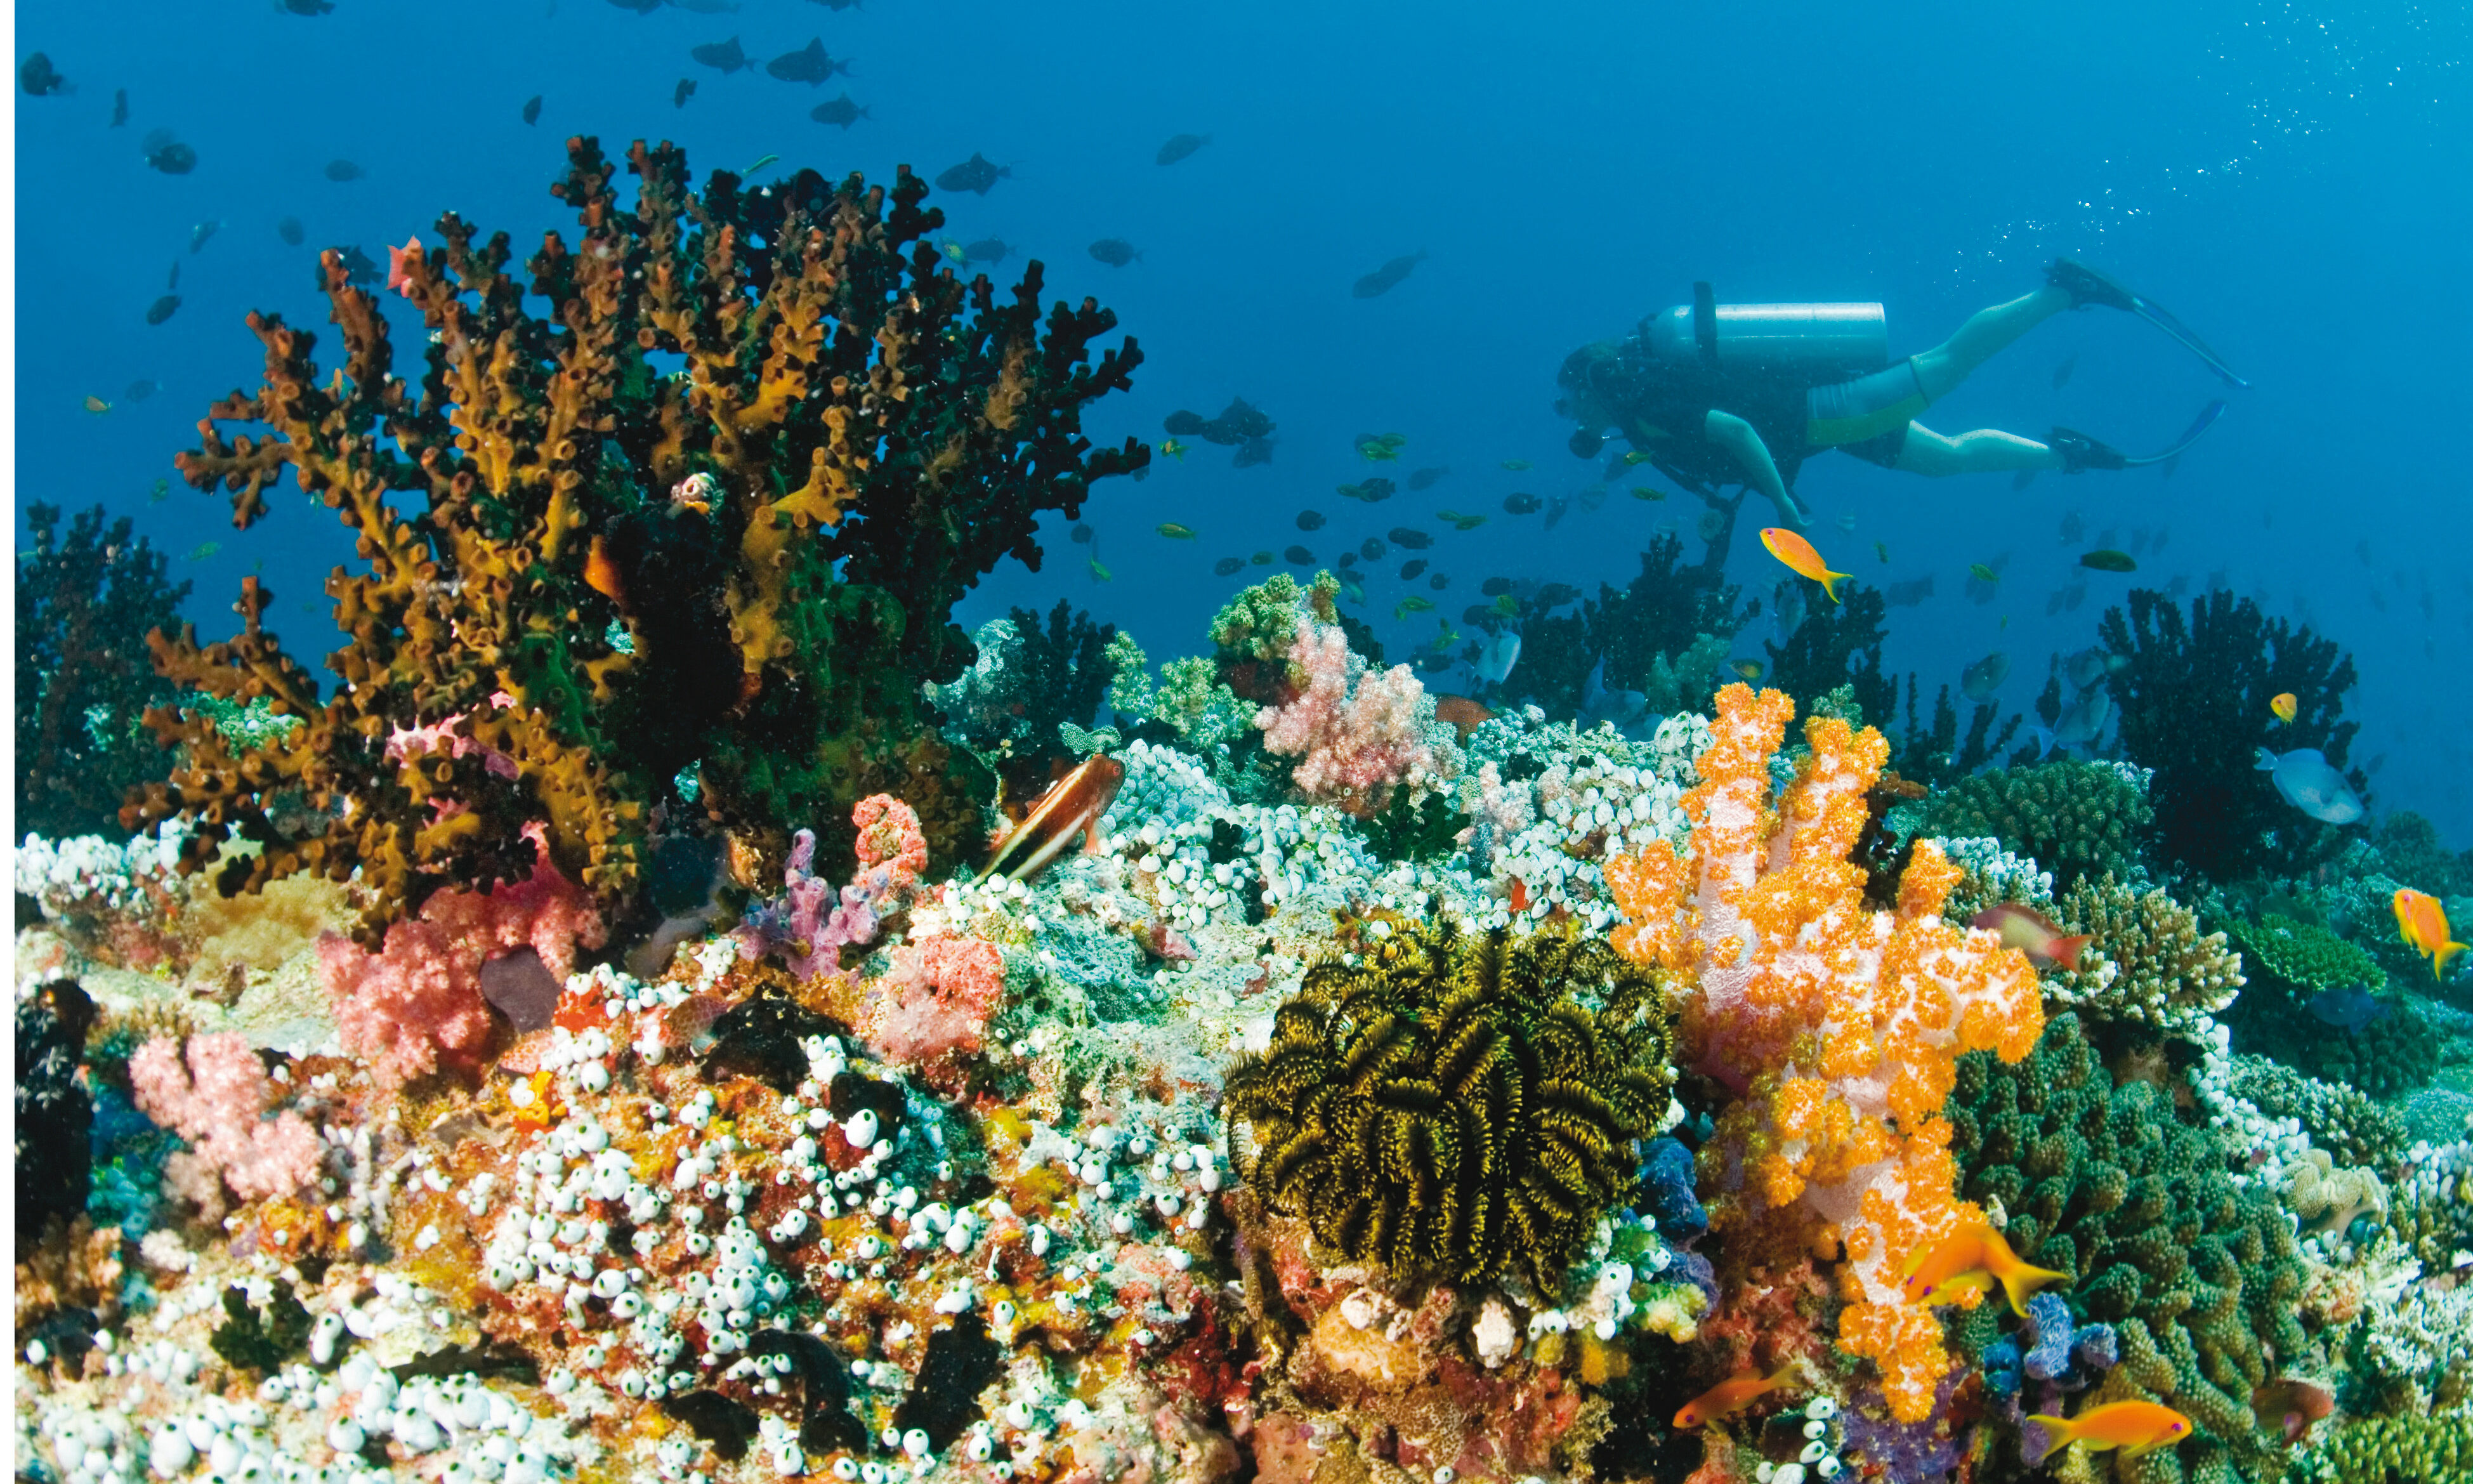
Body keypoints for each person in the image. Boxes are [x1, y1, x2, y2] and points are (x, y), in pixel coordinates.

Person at [1556, 259, 2239, 527]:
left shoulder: (1645, 403)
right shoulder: (1639, 408)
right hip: (1821, 427)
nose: (1572, 416)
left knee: (1947, 363)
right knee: (1944, 459)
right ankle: (2067, 454)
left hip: (1824, 414)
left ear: (1590, 381)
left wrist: (1783, 502)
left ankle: (2062, 291)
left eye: (1570, 399)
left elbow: (1735, 431)